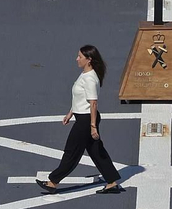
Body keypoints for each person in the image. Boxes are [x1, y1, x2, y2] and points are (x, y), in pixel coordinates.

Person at [39, 46, 122, 195]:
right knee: (96, 151)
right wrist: (71, 113)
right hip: (83, 117)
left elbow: (93, 103)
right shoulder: (85, 74)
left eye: (79, 57)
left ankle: (53, 182)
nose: (77, 59)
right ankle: (112, 181)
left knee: (71, 152)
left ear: (89, 59)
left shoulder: (89, 78)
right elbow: (80, 98)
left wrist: (92, 126)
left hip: (86, 120)